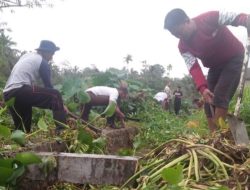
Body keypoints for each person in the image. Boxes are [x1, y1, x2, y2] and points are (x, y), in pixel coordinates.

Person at [164, 9, 250, 132]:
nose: (179, 37)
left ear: (187, 21)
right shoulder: (182, 46)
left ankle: (218, 138)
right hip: (214, 66)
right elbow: (194, 67)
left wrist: (246, 20)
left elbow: (234, 17)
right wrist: (203, 88)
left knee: (220, 95)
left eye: (180, 32)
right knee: (208, 100)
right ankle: (213, 135)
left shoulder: (209, 18)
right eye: (175, 35)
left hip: (233, 58)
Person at [3, 40, 68, 134]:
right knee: (56, 95)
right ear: (45, 52)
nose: (51, 57)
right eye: (52, 54)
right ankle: (62, 131)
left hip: (8, 93)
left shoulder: (26, 56)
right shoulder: (42, 61)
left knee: (23, 128)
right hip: (20, 90)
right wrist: (61, 105)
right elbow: (49, 87)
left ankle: (22, 140)